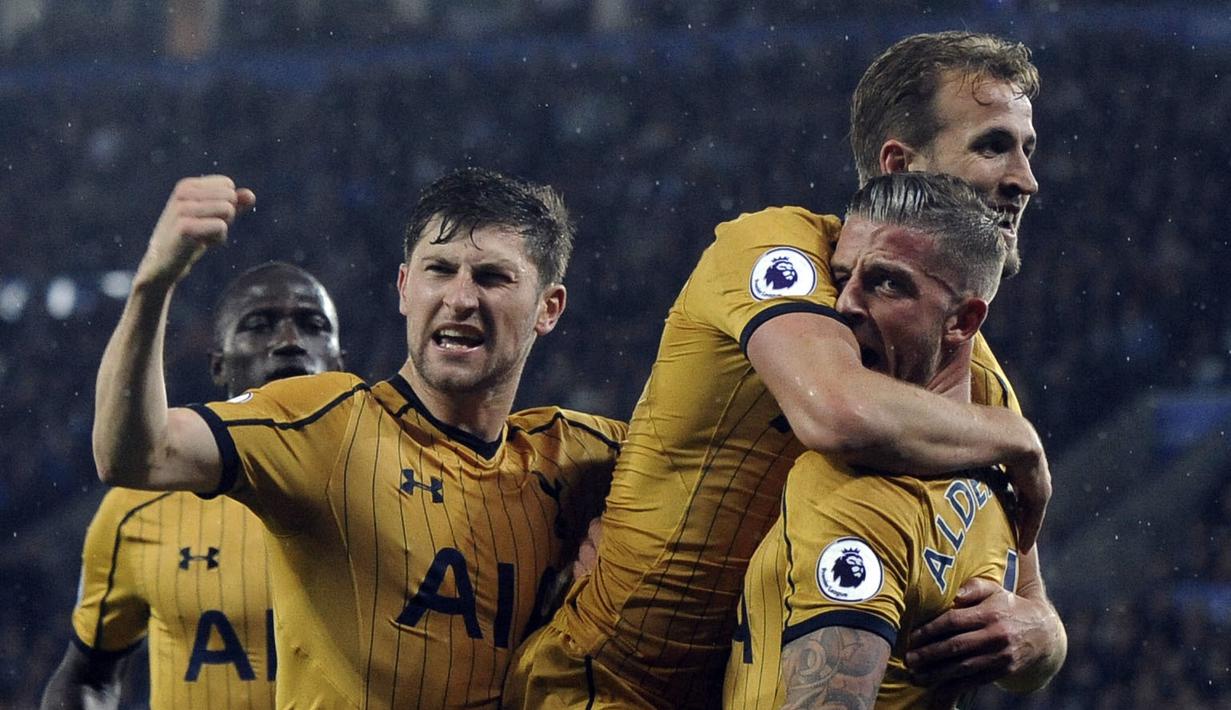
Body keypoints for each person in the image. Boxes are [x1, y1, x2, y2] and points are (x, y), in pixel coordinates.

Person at [504, 31, 1063, 709]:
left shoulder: (971, 380)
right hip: (604, 690)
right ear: (896, 164)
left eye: (1026, 149)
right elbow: (836, 412)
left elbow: (1030, 601)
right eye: (992, 145)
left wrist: (1037, 635)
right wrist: (1014, 437)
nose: (1023, 178)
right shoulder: (778, 250)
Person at [90, 168, 625, 708]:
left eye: (492, 277)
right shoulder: (326, 427)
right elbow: (137, 453)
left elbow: (699, 457)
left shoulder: (576, 458)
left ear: (548, 308)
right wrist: (153, 283)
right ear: (404, 289)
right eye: (439, 270)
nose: (460, 298)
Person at [724, 171, 1030, 709]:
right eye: (841, 277)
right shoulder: (996, 463)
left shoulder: (853, 485)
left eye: (887, 283)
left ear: (962, 320)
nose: (844, 304)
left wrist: (1047, 636)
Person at [41, 262, 344, 710]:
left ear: (340, 361)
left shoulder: (401, 485)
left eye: (312, 324)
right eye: (258, 325)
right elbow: (86, 678)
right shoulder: (138, 509)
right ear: (218, 364)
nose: (288, 342)